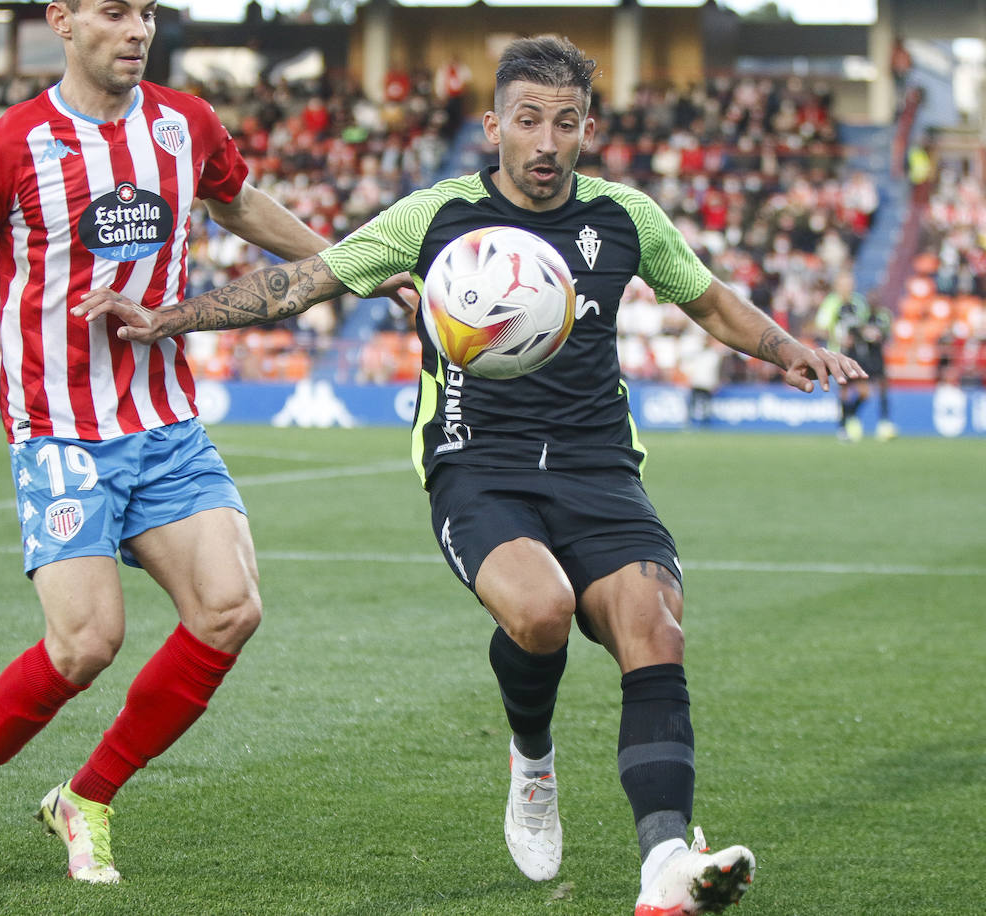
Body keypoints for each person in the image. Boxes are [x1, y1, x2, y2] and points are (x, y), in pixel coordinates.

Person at [77, 35, 865, 914]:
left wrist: (786, 347)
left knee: (656, 627)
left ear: (587, 130)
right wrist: (167, 319)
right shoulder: (434, 218)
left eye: (565, 123)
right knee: (540, 612)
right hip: (476, 466)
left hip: (600, 468)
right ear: (494, 124)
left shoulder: (623, 219)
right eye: (527, 120)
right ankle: (533, 757)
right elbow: (304, 283)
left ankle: (666, 864)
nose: (545, 142)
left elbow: (709, 298)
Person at [0, 0, 355, 885]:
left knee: (230, 608)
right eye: (116, 12)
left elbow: (243, 204)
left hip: (165, 423)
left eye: (147, 12)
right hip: (59, 427)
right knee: (85, 644)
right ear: (63, 20)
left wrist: (353, 266)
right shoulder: (10, 145)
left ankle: (88, 796)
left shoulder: (187, 125)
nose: (138, 29)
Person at [815, 272, 895, 441]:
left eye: (850, 283)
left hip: (859, 353)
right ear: (837, 285)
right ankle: (843, 428)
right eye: (844, 283)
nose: (848, 287)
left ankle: (849, 417)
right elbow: (820, 328)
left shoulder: (858, 302)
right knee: (844, 390)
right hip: (838, 353)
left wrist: (868, 333)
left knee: (864, 392)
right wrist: (838, 338)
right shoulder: (831, 303)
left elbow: (865, 323)